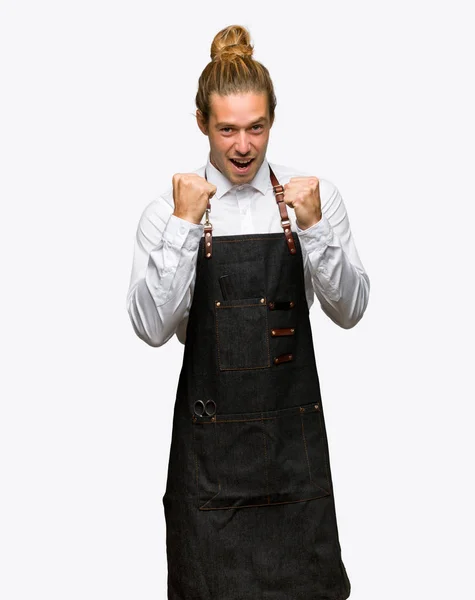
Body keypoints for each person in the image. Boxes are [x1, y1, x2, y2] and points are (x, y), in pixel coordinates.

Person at [126, 23, 369, 600]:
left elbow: (351, 309)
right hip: (209, 470)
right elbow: (151, 329)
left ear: (272, 122)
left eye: (256, 128)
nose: (242, 146)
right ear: (201, 123)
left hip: (292, 460)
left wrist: (313, 228)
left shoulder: (312, 198)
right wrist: (186, 227)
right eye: (227, 128)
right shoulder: (167, 212)